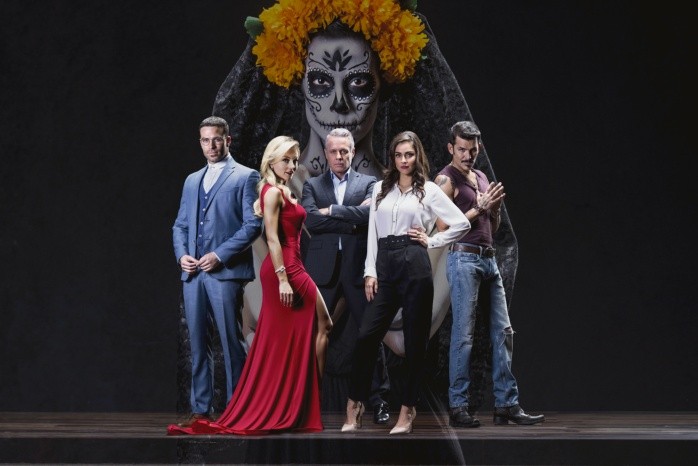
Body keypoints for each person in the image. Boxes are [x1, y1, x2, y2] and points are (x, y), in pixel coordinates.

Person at [168, 136, 333, 435]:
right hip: (284, 270)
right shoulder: (271, 192)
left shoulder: (283, 189)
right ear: (272, 161)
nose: (292, 166)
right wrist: (282, 279)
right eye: (286, 160)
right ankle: (286, 404)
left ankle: (300, 403)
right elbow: (271, 238)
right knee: (298, 333)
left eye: (295, 160)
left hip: (293, 266)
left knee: (306, 331)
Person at [342, 131, 470, 435]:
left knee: (415, 343)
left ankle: (407, 409)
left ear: (417, 156)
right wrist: (370, 270)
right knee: (366, 336)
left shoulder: (428, 190)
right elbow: (373, 232)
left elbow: (462, 223)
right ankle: (355, 404)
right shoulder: (379, 189)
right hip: (385, 265)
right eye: (398, 155)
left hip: (414, 263)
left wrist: (432, 240)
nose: (403, 160)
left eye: (409, 155)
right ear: (392, 157)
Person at [435, 121, 544, 427]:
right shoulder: (445, 179)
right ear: (451, 148)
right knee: (463, 336)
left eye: (472, 150)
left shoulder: (481, 177)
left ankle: (506, 404)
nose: (467, 156)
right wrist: (478, 208)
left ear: (479, 148)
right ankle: (458, 406)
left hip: (488, 259)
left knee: (503, 332)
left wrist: (493, 211)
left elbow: (491, 229)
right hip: (463, 259)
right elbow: (442, 228)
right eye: (461, 149)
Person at [171, 116, 262, 427]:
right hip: (193, 274)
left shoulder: (246, 176)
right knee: (197, 342)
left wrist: (219, 256)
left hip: (225, 272)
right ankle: (201, 408)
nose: (211, 145)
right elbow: (180, 225)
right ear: (200, 142)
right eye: (205, 140)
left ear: (228, 140)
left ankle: (239, 408)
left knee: (231, 340)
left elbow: (253, 225)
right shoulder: (191, 180)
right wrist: (182, 255)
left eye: (217, 139)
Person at [301, 128, 390, 424]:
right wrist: (350, 218)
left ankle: (378, 400)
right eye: (334, 151)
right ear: (326, 154)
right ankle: (305, 400)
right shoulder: (312, 184)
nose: (339, 156)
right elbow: (311, 220)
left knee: (370, 333)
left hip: (358, 269)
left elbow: (370, 216)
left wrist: (332, 211)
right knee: (310, 333)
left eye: (344, 151)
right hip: (322, 270)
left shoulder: (370, 183)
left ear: (353, 152)